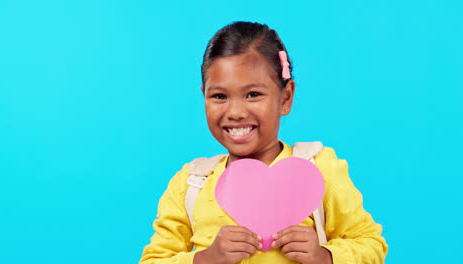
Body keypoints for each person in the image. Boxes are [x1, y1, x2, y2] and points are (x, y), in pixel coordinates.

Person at [139, 21, 387, 264]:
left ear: (285, 97)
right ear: (203, 95)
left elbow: (371, 244)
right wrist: (204, 259)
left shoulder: (319, 168)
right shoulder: (191, 184)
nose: (235, 111)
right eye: (219, 96)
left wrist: (326, 257)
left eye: (253, 94)